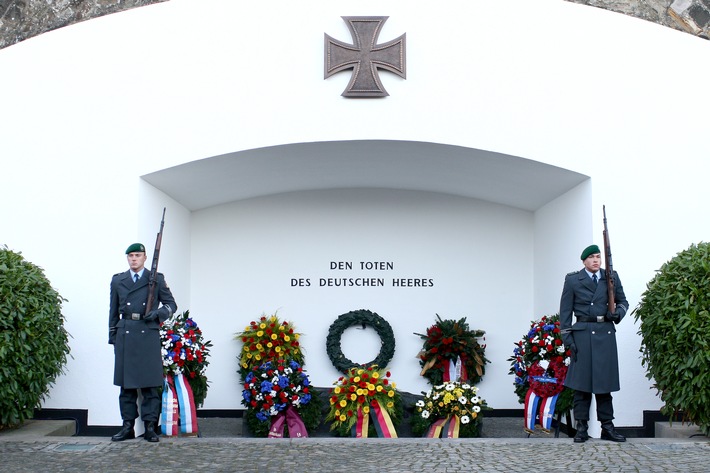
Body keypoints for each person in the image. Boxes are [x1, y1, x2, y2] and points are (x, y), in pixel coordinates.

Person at [108, 243, 177, 442]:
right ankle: (127, 426)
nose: (133, 259)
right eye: (130, 256)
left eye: (137, 255)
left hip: (148, 332)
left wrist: (159, 314)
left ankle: (150, 427)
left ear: (145, 257)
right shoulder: (118, 280)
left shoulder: (156, 279)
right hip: (126, 333)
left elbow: (171, 304)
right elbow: (112, 311)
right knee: (126, 386)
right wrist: (113, 336)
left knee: (149, 385)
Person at [559, 244, 628, 443]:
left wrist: (617, 314)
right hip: (582, 335)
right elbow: (565, 312)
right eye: (591, 257)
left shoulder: (611, 276)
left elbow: (623, 301)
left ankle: (607, 427)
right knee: (581, 386)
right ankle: (582, 428)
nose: (596, 260)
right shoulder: (573, 280)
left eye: (598, 257)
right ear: (584, 261)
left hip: (604, 333)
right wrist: (567, 338)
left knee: (604, 385)